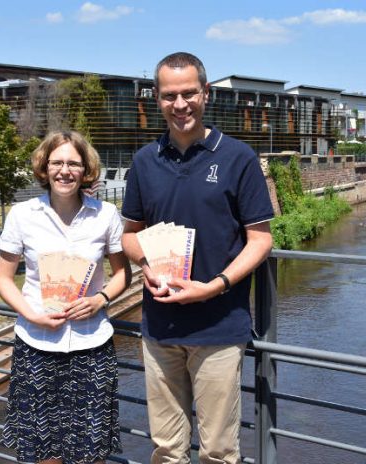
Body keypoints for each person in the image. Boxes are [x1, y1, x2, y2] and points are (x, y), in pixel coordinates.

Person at [121, 52, 274, 463]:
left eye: (189, 93)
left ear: (205, 93)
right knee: (166, 449)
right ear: (157, 98)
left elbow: (260, 240)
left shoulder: (238, 158)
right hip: (159, 328)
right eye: (170, 95)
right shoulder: (143, 161)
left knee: (219, 451)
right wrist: (146, 266)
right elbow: (129, 236)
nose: (180, 104)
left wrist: (215, 286)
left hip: (219, 328)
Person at [0, 130, 131, 464]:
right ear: (44, 167)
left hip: (92, 346)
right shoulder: (23, 215)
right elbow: (3, 279)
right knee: (43, 451)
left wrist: (100, 299)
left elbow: (123, 274)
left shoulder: (106, 215)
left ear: (86, 170)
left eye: (73, 163)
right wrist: (32, 315)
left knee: (92, 450)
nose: (65, 171)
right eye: (57, 162)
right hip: (37, 345)